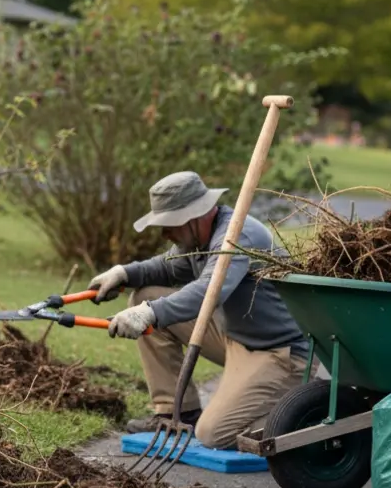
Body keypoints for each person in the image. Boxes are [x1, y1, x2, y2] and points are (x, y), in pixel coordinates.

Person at [87, 171, 311, 450]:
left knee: (213, 434)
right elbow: (168, 267)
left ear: (194, 217)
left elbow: (208, 291)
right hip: (235, 338)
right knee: (144, 295)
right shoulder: (197, 241)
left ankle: (301, 416)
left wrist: (151, 313)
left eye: (170, 224)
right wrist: (124, 273)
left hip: (279, 354)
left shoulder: (237, 235)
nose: (164, 233)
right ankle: (176, 412)